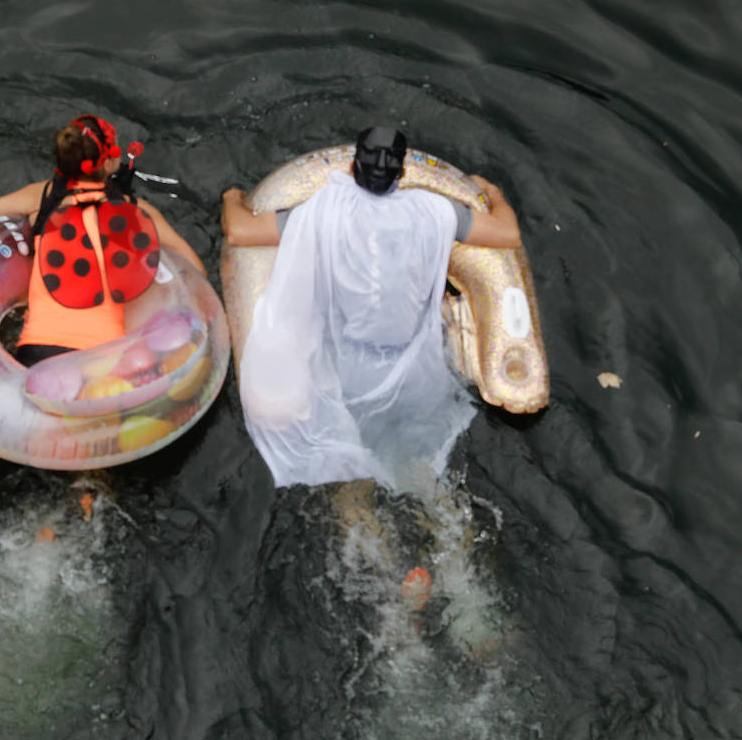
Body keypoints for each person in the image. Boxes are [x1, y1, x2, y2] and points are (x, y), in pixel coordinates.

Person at [219, 126, 522, 492]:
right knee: (423, 474)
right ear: (404, 174)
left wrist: (231, 198)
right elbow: (507, 235)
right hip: (416, 370)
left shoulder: (323, 211)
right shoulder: (437, 211)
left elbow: (239, 232)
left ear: (351, 168)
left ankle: (365, 538)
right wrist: (494, 194)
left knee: (350, 479)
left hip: (350, 371)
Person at [0, 115, 206, 367]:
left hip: (34, 350)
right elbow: (195, 268)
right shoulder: (135, 211)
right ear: (111, 161)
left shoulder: (44, 196)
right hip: (102, 356)